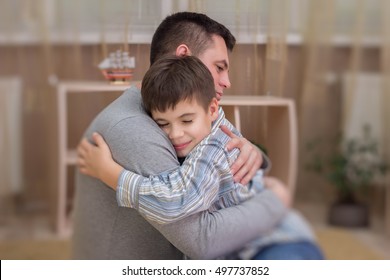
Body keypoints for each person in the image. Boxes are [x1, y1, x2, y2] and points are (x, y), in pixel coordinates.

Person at [72, 11, 299, 260]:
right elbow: (201, 238)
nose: (227, 82)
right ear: (184, 57)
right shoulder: (134, 129)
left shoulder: (188, 114)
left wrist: (253, 155)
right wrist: (275, 200)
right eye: (219, 67)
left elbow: (221, 153)